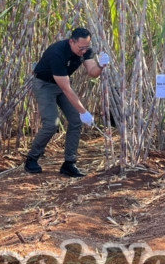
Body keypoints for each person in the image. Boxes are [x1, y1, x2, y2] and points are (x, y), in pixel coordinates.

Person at [25, 28, 109, 177]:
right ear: (72, 41)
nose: (83, 51)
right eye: (80, 48)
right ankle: (32, 158)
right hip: (44, 84)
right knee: (52, 123)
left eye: (86, 48)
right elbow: (66, 89)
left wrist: (101, 66)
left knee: (76, 121)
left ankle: (69, 163)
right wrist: (84, 112)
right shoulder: (57, 53)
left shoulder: (85, 50)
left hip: (61, 84)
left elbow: (92, 73)